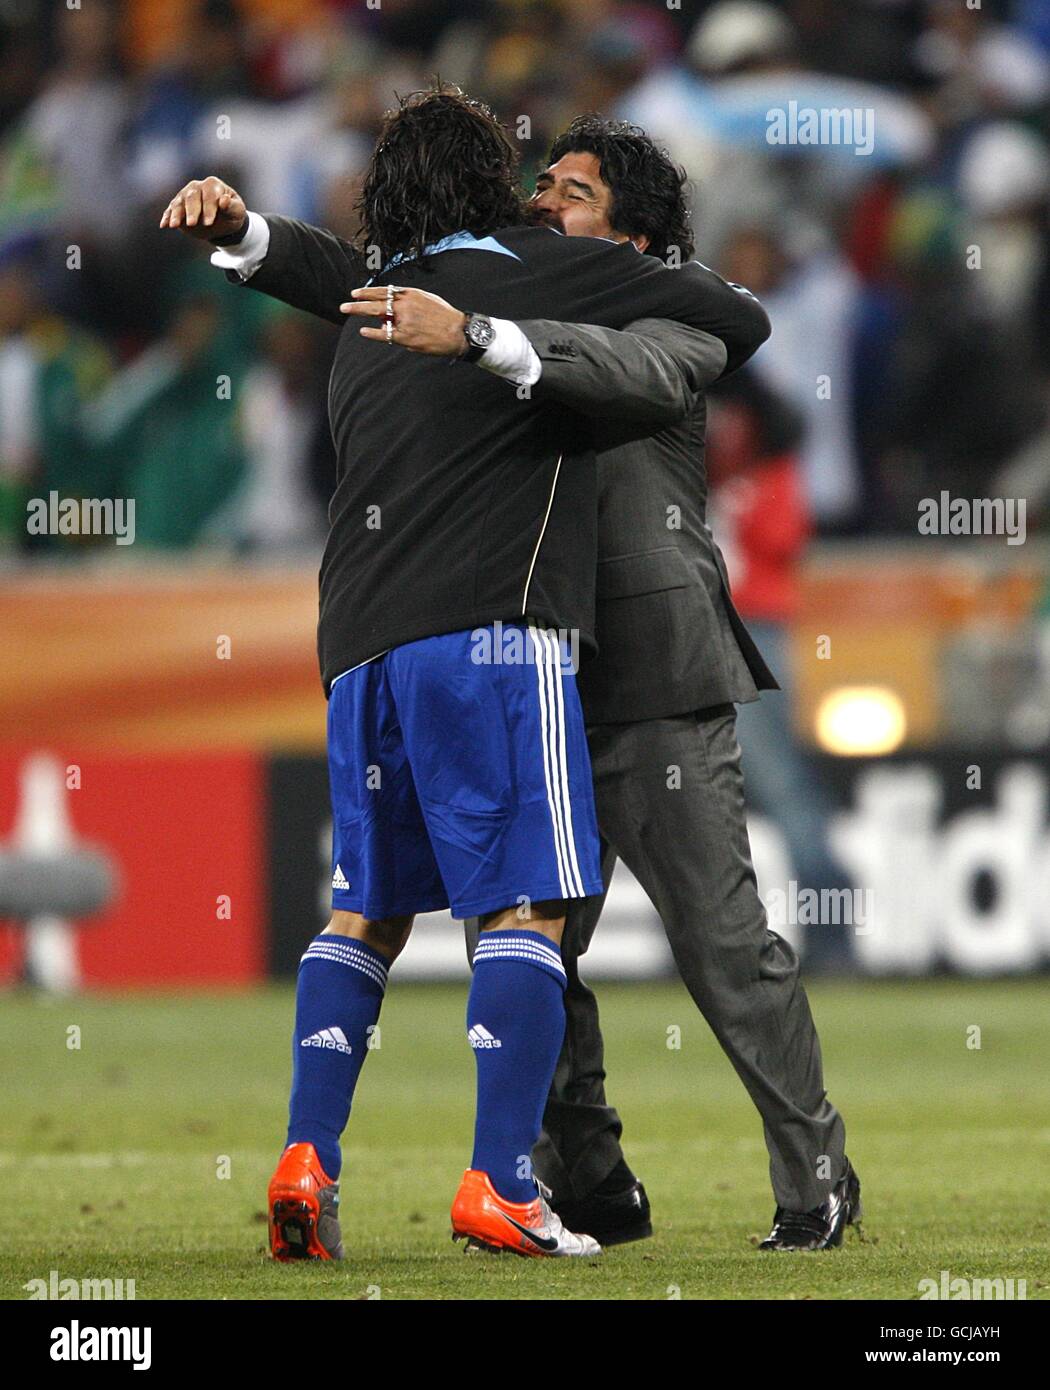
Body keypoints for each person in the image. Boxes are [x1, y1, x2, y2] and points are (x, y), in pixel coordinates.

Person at [162, 85, 771, 1261]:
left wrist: (238, 234)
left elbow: (305, 262)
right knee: (528, 904)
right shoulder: (539, 270)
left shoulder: (367, 304)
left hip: (356, 644)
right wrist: (527, 330)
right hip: (495, 629)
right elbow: (729, 317)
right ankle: (501, 1184)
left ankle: (305, 1159)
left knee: (368, 909)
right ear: (497, 186)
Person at [358, 116, 859, 1253]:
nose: (544, 203)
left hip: (653, 681)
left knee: (724, 946)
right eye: (540, 184)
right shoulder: (488, 324)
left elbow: (624, 374)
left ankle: (816, 1179)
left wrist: (482, 333)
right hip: (534, 681)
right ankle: (587, 1183)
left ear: (630, 237)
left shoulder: (663, 322)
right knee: (526, 953)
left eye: (572, 193)